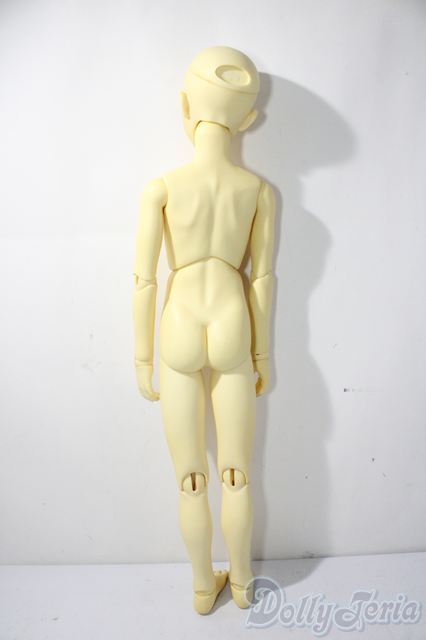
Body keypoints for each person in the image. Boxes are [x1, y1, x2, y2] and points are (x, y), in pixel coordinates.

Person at [133, 46, 275, 614]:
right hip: (233, 319)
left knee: (191, 478)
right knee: (236, 473)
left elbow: (144, 279)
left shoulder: (162, 188)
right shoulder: (257, 191)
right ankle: (240, 583)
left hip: (180, 321)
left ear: (184, 105)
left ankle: (201, 586)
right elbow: (262, 278)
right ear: (248, 118)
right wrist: (262, 356)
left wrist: (142, 359)